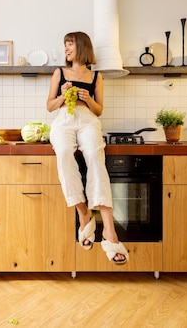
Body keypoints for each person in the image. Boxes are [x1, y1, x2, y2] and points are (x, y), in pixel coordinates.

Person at [46, 31, 128, 264]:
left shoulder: (96, 76)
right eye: (65, 45)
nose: (66, 49)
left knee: (94, 155)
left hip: (88, 121)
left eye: (70, 44)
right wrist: (63, 96)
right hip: (64, 119)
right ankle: (83, 212)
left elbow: (99, 109)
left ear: (81, 47)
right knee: (63, 153)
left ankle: (109, 231)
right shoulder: (59, 73)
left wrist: (87, 98)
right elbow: (50, 106)